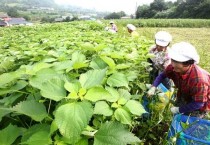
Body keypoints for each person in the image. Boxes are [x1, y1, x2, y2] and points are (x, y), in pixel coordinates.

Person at [148, 42, 210, 118]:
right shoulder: (173, 67)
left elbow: (198, 103)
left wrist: (179, 109)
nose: (173, 65)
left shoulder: (199, 80)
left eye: (176, 62)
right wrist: (154, 86)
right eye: (172, 60)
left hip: (199, 105)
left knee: (188, 123)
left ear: (188, 63)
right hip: (183, 93)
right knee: (177, 117)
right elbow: (162, 75)